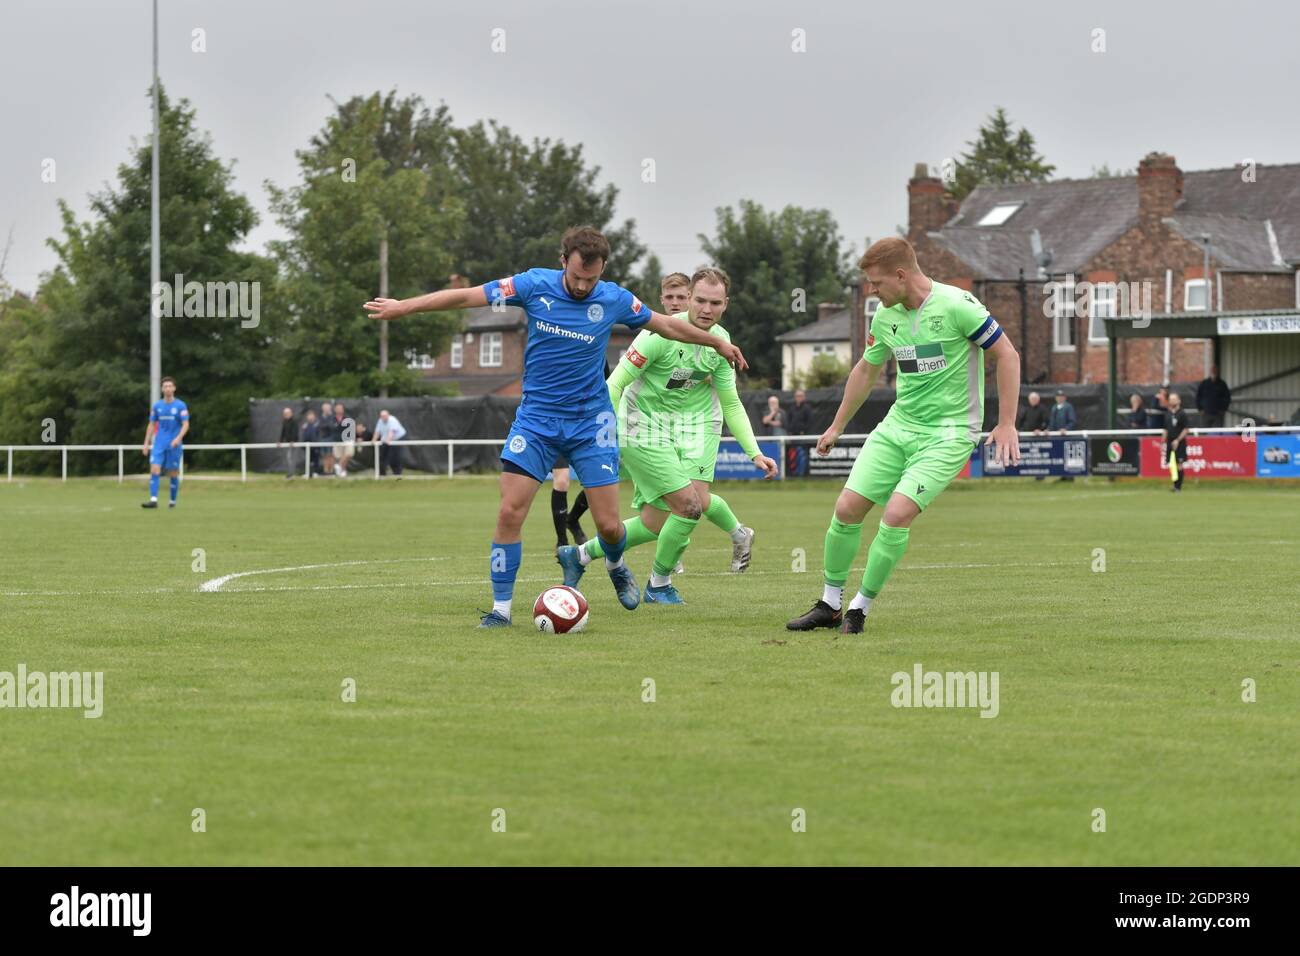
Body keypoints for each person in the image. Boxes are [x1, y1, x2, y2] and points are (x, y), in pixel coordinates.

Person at [364, 225, 747, 627]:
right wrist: (404, 306)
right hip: (537, 421)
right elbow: (466, 295)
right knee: (510, 512)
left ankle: (615, 564)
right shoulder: (533, 285)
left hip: (591, 423)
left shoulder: (614, 297)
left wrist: (716, 342)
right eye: (578, 276)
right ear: (563, 261)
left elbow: (665, 324)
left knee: (609, 525)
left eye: (592, 278)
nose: (583, 285)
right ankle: (500, 611)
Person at [785, 237, 1021, 634]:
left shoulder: (958, 307)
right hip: (898, 427)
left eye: (876, 284)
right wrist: (837, 425)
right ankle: (829, 603)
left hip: (948, 433)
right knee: (846, 509)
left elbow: (1007, 355)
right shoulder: (885, 317)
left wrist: (1007, 422)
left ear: (900, 274)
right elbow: (865, 370)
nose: (872, 292)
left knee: (895, 515)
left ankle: (859, 608)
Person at [556, 267, 777, 602]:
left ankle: (581, 555)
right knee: (690, 505)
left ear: (726, 304)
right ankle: (659, 584)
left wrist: (754, 452)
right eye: (700, 300)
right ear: (689, 298)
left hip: (695, 426)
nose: (706, 308)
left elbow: (731, 403)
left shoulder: (722, 342)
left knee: (656, 521)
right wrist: (602, 436)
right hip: (641, 425)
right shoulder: (657, 335)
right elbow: (614, 385)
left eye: (715, 303)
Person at [141, 375, 190, 509]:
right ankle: (153, 500)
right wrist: (146, 443)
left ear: (174, 388)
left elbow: (186, 424)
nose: (168, 389)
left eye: (170, 386)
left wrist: (178, 438)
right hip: (159, 443)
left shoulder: (180, 405)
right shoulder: (157, 406)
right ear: (162, 389)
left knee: (173, 473)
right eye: (165, 386)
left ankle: (172, 501)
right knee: (155, 469)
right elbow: (151, 425)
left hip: (174, 444)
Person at [1164, 391, 1191, 492]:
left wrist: (1177, 440)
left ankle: (1178, 487)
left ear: (1179, 401)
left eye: (1174, 399)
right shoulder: (1168, 414)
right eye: (1170, 399)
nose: (1172, 401)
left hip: (1179, 442)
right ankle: (1175, 486)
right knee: (1172, 464)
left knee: (1179, 464)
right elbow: (1166, 428)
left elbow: (1186, 429)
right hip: (1169, 442)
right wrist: (1163, 441)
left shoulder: (1182, 414)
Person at [787, 389, 814, 476]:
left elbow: (810, 422)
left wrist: (804, 431)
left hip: (802, 438)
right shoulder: (791, 408)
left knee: (802, 455)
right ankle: (793, 474)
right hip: (792, 437)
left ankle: (801, 475)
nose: (799, 398)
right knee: (793, 455)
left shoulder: (807, 408)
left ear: (804, 397)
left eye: (800, 396)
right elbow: (789, 421)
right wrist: (790, 431)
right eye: (797, 396)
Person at [372, 409, 406, 477]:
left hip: (398, 439)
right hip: (386, 440)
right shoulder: (380, 421)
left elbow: (392, 432)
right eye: (382, 416)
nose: (383, 417)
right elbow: (377, 432)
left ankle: (397, 474)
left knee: (395, 457)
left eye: (385, 416)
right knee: (383, 457)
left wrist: (387, 441)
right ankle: (382, 474)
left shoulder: (392, 420)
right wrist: (373, 440)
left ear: (388, 415)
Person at [333, 402, 354, 477]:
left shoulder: (347, 418)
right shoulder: (332, 419)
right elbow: (332, 429)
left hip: (347, 440)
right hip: (337, 440)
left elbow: (349, 428)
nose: (339, 410)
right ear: (335, 409)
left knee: (349, 454)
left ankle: (339, 466)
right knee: (340, 456)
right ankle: (343, 471)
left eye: (340, 408)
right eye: (337, 408)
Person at [277, 407, 298, 479]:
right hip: (287, 443)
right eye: (285, 414)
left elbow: (295, 432)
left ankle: (291, 474)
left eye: (287, 413)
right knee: (287, 459)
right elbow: (283, 432)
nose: (286, 415)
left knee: (291, 458)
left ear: (291, 413)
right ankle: (289, 474)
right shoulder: (284, 422)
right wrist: (280, 441)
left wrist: (293, 440)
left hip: (293, 443)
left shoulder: (294, 421)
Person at [316, 402, 337, 476]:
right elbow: (318, 426)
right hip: (322, 438)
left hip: (330, 438)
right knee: (324, 455)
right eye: (325, 408)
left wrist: (325, 426)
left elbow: (332, 426)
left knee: (330, 454)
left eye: (328, 408)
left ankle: (331, 470)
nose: (326, 410)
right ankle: (326, 470)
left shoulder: (332, 417)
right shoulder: (320, 417)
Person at [301, 410, 320, 477]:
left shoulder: (317, 424)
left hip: (315, 446)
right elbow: (304, 435)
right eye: (309, 415)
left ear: (314, 416)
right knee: (308, 460)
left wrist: (317, 445)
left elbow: (318, 435)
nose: (310, 417)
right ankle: (307, 473)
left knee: (315, 460)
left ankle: (315, 472)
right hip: (307, 446)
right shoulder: (305, 425)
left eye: (312, 415)